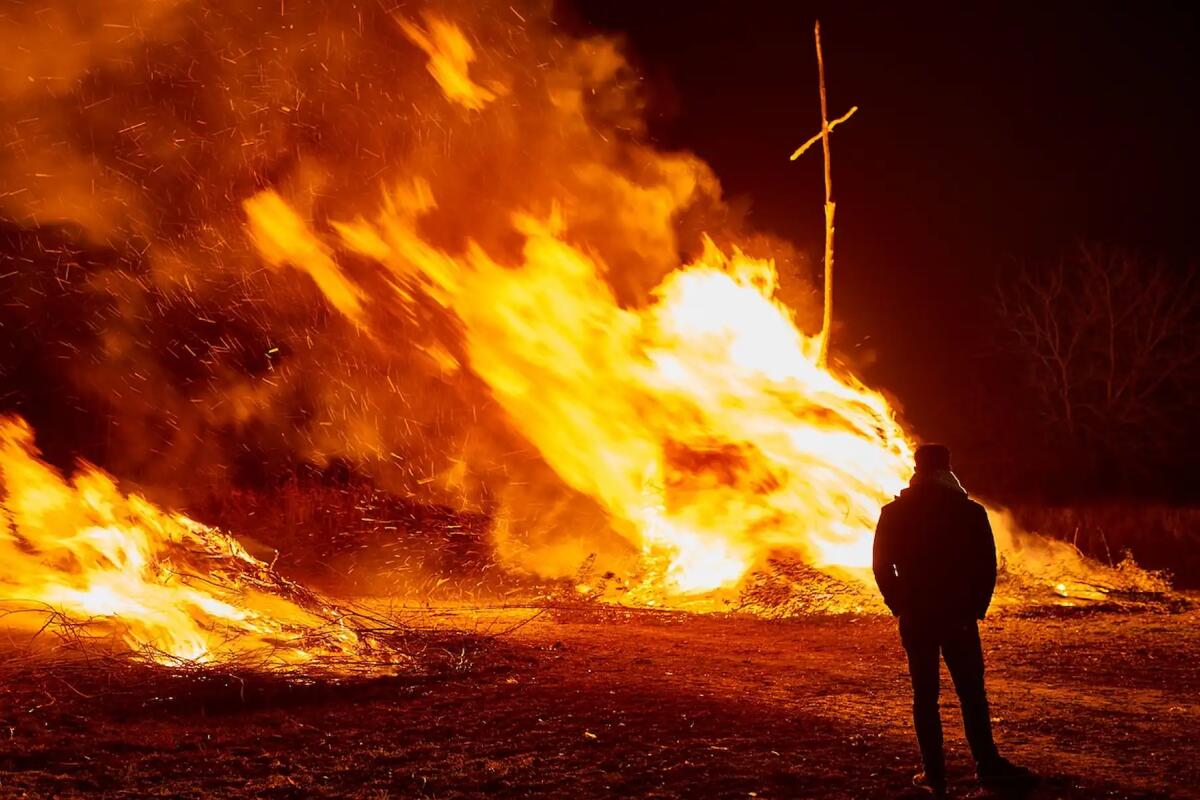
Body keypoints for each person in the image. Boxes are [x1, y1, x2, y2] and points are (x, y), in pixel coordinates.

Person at [873, 444, 1035, 797]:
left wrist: (899, 605)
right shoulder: (969, 511)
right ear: (947, 468)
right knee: (972, 693)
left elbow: (882, 567)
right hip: (957, 615)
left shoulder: (894, 512)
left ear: (917, 469)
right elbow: (986, 565)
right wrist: (975, 607)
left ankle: (934, 775)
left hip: (917, 616)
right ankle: (987, 765)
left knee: (925, 696)